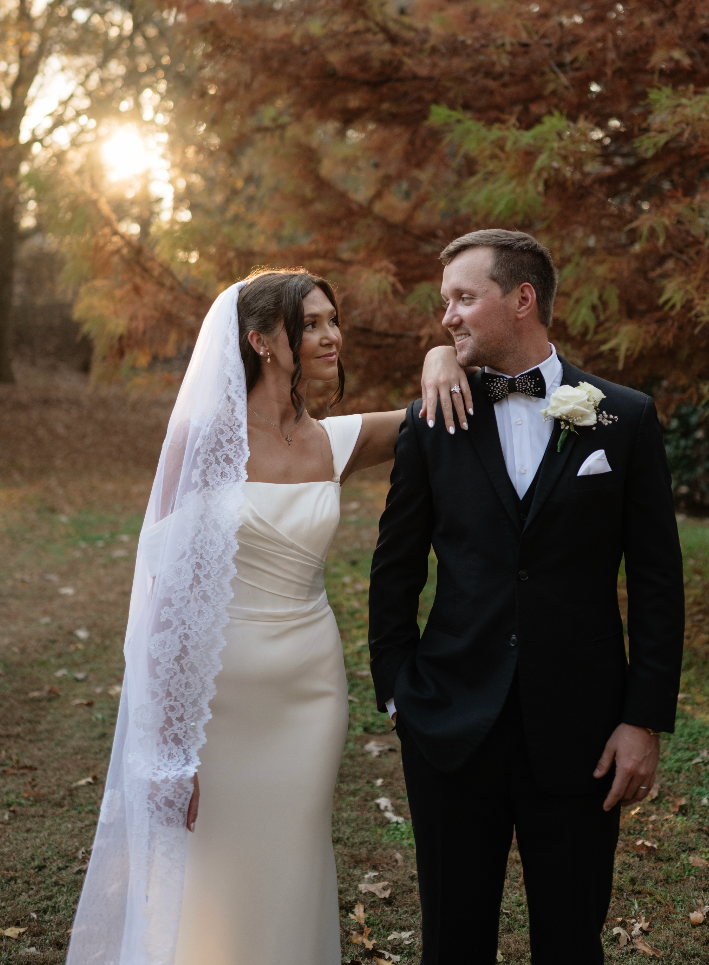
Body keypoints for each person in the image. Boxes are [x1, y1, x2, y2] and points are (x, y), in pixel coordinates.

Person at [66, 269, 470, 965]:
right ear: (259, 340)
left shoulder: (332, 443)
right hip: (219, 699)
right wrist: (168, 748)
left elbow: (429, 411)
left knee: (292, 855)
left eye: (330, 320)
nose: (329, 335)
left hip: (310, 691)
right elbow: (164, 599)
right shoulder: (201, 442)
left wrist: (440, 354)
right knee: (215, 869)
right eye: (308, 324)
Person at [368, 229, 685, 964]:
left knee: (571, 939)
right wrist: (398, 692)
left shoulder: (623, 417)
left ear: (521, 299)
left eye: (462, 298)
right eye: (443, 300)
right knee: (452, 938)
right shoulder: (430, 419)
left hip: (582, 732)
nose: (446, 316)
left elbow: (657, 579)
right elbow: (394, 568)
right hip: (449, 725)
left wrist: (643, 718)